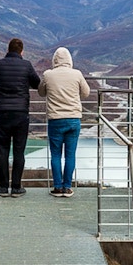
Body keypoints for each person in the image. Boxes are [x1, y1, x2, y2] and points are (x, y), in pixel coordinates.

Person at [0, 38, 40, 197]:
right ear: (22, 51)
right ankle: (17, 187)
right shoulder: (26, 65)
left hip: (3, 114)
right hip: (21, 114)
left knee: (3, 151)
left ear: (8, 50)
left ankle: (3, 187)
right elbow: (37, 84)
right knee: (19, 152)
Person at [38, 47, 90, 197]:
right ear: (69, 60)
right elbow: (86, 93)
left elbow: (41, 92)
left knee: (55, 155)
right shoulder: (77, 74)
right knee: (70, 155)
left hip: (55, 120)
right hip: (74, 120)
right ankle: (67, 187)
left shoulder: (48, 75)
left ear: (55, 60)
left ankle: (57, 187)